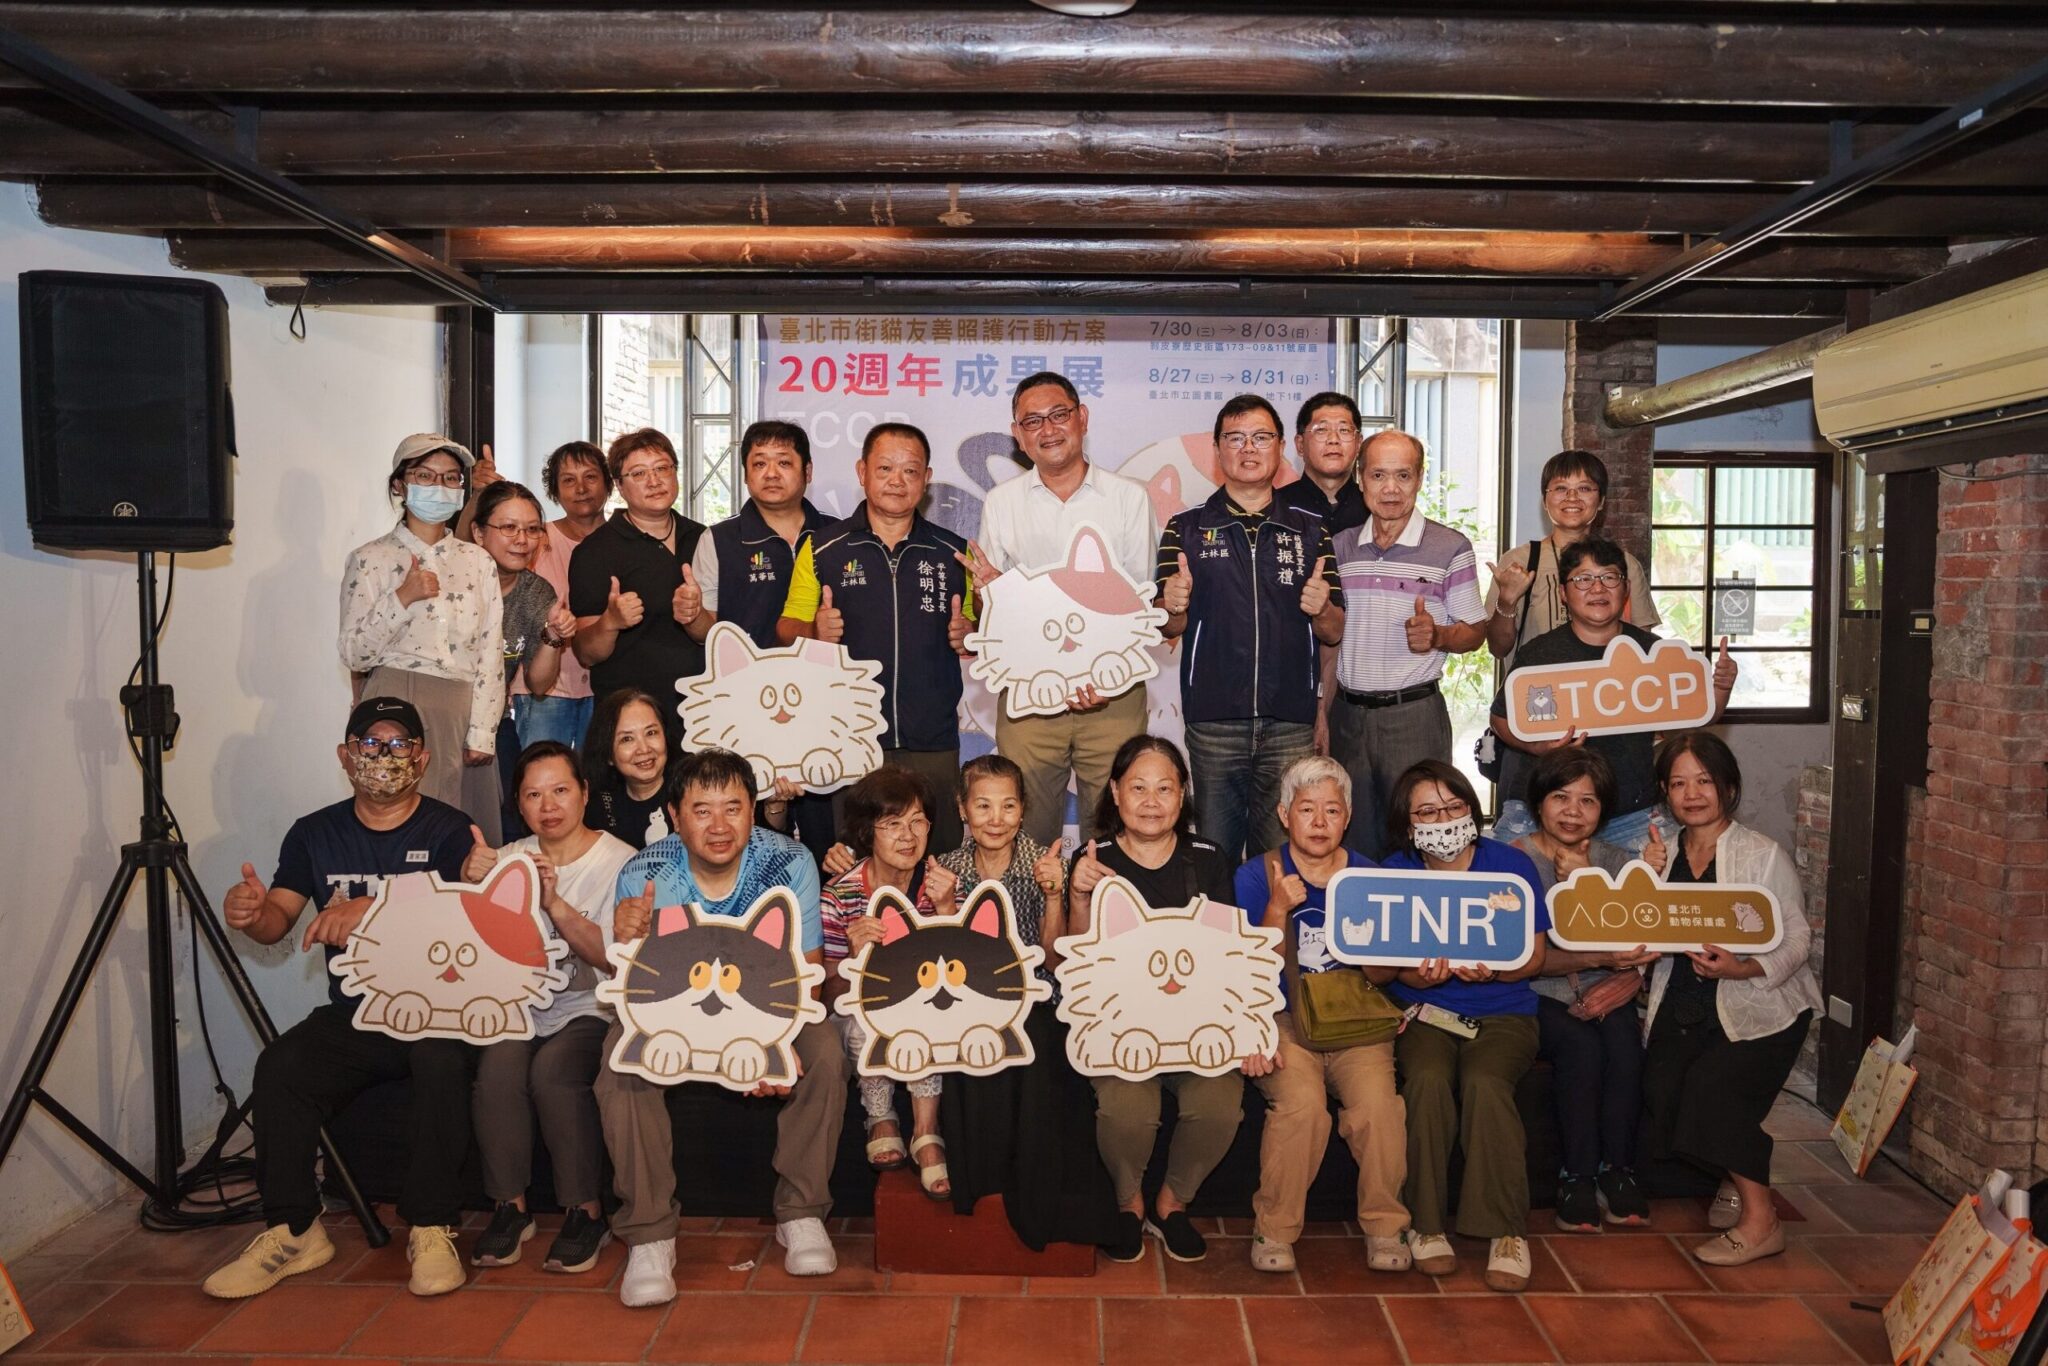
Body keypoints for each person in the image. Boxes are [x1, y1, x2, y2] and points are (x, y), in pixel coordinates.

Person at [203, 698, 475, 1300]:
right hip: (356, 1012)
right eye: (370, 743)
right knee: (282, 1067)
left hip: (436, 1009)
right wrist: (251, 914)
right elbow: (278, 919)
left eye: (399, 744)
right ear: (345, 756)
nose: (384, 756)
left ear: (422, 759)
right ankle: (295, 1230)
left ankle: (431, 1226)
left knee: (442, 1061)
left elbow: (465, 922)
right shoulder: (314, 833)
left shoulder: (450, 830)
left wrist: (375, 908)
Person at [596, 749, 846, 1305]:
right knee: (619, 1062)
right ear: (674, 815)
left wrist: (771, 1043)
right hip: (673, 1010)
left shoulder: (790, 862)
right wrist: (626, 942)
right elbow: (639, 992)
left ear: (752, 811)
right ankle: (650, 1233)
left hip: (772, 1007)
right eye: (702, 810)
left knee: (826, 1051)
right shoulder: (644, 874)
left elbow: (807, 973)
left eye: (733, 808)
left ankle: (802, 1212)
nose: (719, 825)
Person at [954, 371, 1159, 847]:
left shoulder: (1129, 497)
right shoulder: (1002, 503)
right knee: (1023, 831)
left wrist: (1103, 676)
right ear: (1018, 435)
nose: (1048, 429)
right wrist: (990, 593)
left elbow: (1138, 598)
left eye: (1058, 415)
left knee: (1113, 831)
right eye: (1033, 421)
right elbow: (990, 608)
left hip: (1112, 692)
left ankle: (1104, 899)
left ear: (1082, 417)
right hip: (1030, 693)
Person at [1640, 732, 1821, 1267]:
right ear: (1665, 793)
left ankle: (1762, 1222)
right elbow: (1638, 927)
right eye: (1678, 783)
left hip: (1760, 1004)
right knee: (1661, 1090)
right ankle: (1729, 1174)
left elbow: (1799, 938)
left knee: (1711, 1091)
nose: (1692, 794)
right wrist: (1643, 876)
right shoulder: (1659, 854)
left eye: (1704, 781)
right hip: (1683, 1000)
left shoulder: (1762, 854)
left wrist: (1742, 968)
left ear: (1728, 786)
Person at [1065, 735, 1245, 1264]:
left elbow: (1229, 956)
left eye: (1164, 789)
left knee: (1219, 1107)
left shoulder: (1208, 859)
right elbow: (1070, 962)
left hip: (1196, 1027)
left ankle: (1171, 1204)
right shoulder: (1092, 860)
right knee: (1127, 1111)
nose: (1150, 801)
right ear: (1115, 792)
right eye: (1138, 788)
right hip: (1120, 1028)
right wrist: (1078, 894)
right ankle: (1128, 1203)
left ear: (1182, 794)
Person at [932, 755, 1120, 1251]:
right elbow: (941, 961)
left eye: (1008, 806)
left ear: (1023, 809)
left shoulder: (1044, 862)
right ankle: (978, 1183)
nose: (996, 819)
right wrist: (945, 907)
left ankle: (1040, 1200)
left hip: (1037, 1001)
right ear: (962, 809)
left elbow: (1056, 962)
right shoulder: (945, 869)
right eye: (983, 806)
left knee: (1037, 1046)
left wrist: (1054, 895)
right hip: (967, 1004)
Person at [1232, 756, 1411, 1276]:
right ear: (1283, 814)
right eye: (1306, 808)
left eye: (1331, 810)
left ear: (1347, 817)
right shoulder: (1255, 874)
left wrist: (1370, 936)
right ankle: (1274, 1228)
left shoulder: (1371, 876)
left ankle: (1386, 1226)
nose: (1318, 821)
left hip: (1356, 1019)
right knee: (1303, 1107)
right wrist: (1277, 908)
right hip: (1283, 1018)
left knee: (1378, 1108)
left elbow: (1384, 975)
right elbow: (1249, 968)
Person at [464, 741, 635, 1272]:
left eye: (560, 790)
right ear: (518, 804)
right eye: (533, 795)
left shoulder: (621, 861)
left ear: (584, 793)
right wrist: (471, 886)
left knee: (554, 1073)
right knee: (496, 1071)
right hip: (519, 1008)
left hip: (591, 1007)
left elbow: (611, 960)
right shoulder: (507, 860)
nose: (549, 805)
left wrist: (554, 903)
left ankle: (585, 1212)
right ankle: (510, 1208)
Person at [1380, 759, 1548, 1292]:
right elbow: (1384, 967)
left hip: (1504, 1011)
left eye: (1453, 807)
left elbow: (1535, 957)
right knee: (1427, 1081)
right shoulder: (1394, 873)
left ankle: (1506, 1230)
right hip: (1423, 1012)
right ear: (1408, 823)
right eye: (1427, 811)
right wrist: (1419, 976)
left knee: (1486, 1083)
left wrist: (1495, 968)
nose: (1444, 819)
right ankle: (1425, 1224)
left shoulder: (1511, 866)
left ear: (1472, 810)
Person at [1157, 394, 1344, 863]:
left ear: (1280, 447)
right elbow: (1167, 625)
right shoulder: (1186, 528)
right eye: (1235, 438)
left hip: (1290, 720)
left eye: (1261, 437)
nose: (1248, 448)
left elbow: (1334, 631)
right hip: (1213, 719)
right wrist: (1172, 606)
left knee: (1280, 856)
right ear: (1217, 450)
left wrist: (1322, 608)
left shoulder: (1310, 530)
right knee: (1215, 851)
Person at [778, 422, 972, 851]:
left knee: (935, 856)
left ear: (926, 479)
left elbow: (975, 630)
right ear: (862, 471)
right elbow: (787, 627)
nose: (897, 480)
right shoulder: (822, 548)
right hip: (852, 734)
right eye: (885, 468)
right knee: (857, 857)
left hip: (933, 738)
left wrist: (968, 634)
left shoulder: (954, 552)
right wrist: (814, 632)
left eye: (910, 470)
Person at [1489, 537, 1737, 850]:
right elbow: (1500, 719)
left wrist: (1721, 688)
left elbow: (1700, 714)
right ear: (1563, 593)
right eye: (1583, 579)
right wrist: (1536, 746)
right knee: (1508, 873)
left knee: (1666, 868)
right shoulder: (1539, 653)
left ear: (1626, 589)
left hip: (1630, 809)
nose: (1597, 588)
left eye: (1610, 577)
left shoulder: (1654, 652)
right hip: (1542, 805)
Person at [1515, 747, 1658, 1233]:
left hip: (1607, 990)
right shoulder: (1512, 862)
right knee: (1581, 1048)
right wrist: (1600, 957)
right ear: (1539, 801)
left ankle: (1617, 1170)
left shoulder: (1618, 861)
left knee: (1624, 1048)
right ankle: (1575, 1176)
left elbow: (1643, 941)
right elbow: (1524, 960)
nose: (1573, 811)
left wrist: (1626, 970)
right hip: (1536, 990)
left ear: (1603, 810)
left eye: (1588, 801)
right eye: (1561, 797)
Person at [1327, 431, 1488, 858]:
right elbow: (1328, 637)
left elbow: (1475, 631)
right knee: (1351, 840)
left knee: (1425, 836)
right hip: (1348, 716)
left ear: (1419, 479)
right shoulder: (1340, 548)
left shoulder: (1450, 547)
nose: (1391, 489)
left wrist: (1439, 635)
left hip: (1414, 714)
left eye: (1403, 475)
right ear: (1360, 479)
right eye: (1378, 475)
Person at [339, 433, 505, 840]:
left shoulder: (478, 561)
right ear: (400, 484)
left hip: (462, 704)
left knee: (466, 834)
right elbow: (354, 653)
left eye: (450, 478)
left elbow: (490, 651)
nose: (439, 486)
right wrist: (402, 597)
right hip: (395, 699)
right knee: (402, 826)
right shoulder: (370, 559)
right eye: (425, 476)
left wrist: (483, 730)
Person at [688, 420, 833, 858]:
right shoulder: (719, 539)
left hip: (823, 709)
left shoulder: (838, 536)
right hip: (749, 712)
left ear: (808, 471)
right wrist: (692, 616)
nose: (771, 473)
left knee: (826, 833)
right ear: (746, 473)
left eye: (784, 462)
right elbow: (709, 632)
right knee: (755, 836)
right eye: (759, 463)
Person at [820, 767, 960, 1200]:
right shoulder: (839, 895)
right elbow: (828, 998)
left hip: (930, 1015)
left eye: (918, 821)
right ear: (867, 831)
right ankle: (880, 1115)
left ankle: (926, 1130)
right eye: (893, 823)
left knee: (926, 1012)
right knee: (868, 1019)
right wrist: (854, 961)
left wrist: (947, 912)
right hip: (857, 1021)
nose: (908, 836)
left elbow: (964, 982)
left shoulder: (941, 887)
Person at [567, 428, 708, 715]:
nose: (654, 481)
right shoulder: (594, 552)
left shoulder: (704, 538)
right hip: (631, 713)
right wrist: (611, 622)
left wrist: (696, 614)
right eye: (639, 473)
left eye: (662, 468)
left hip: (702, 706)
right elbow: (586, 653)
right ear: (619, 485)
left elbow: (715, 634)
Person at [1484, 449, 1659, 668]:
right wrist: (1507, 600)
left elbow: (1642, 649)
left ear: (1601, 501)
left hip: (1609, 686)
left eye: (1584, 488)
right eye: (1561, 488)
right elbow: (1498, 649)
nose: (1572, 497)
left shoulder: (1625, 564)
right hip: (1538, 686)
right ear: (1545, 500)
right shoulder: (1519, 562)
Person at [473, 481, 578, 839]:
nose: (522, 539)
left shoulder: (536, 593)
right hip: (443, 716)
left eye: (533, 529)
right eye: (509, 527)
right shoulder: (454, 582)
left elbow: (538, 684)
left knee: (510, 817)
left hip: (494, 720)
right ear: (478, 533)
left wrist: (554, 635)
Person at [515, 440, 612, 750]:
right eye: (568, 480)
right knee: (540, 771)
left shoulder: (624, 542)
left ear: (608, 483)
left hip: (606, 688)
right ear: (554, 491)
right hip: (545, 689)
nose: (581, 488)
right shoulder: (536, 539)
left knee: (597, 776)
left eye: (590, 477)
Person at [581, 689, 674, 849]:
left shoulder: (691, 792)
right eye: (627, 739)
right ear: (608, 754)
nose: (644, 749)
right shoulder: (597, 809)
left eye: (651, 732)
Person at [1274, 391, 1368, 536]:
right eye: (1321, 430)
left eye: (1344, 430)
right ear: (1300, 445)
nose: (1333, 439)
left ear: (1358, 444)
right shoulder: (1275, 506)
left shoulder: (1375, 506)